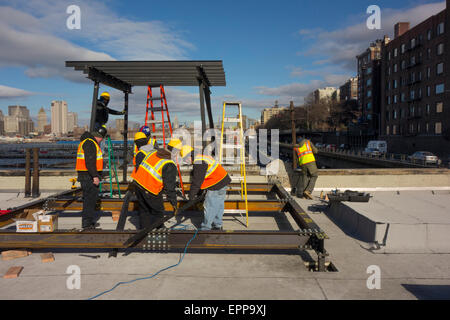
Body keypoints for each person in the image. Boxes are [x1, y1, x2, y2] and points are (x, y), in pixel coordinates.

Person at [131, 139, 179, 230]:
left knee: (144, 210)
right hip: (149, 189)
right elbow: (170, 187)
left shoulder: (153, 153)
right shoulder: (169, 164)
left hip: (138, 184)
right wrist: (174, 203)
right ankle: (158, 230)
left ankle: (144, 231)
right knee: (158, 211)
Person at [180, 145, 231, 231]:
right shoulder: (201, 157)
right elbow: (202, 179)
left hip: (216, 184)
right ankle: (218, 225)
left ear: (189, 156)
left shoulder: (198, 162)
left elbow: (197, 181)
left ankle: (206, 228)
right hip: (223, 181)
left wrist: (191, 197)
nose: (186, 162)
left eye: (185, 159)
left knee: (210, 206)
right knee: (218, 205)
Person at [75, 126, 107, 230]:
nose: (102, 140)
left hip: (86, 175)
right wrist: (95, 176)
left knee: (89, 199)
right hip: (88, 176)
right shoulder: (90, 143)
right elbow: (89, 162)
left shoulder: (87, 141)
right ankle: (87, 224)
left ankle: (88, 222)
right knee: (89, 200)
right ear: (100, 137)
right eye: (102, 138)